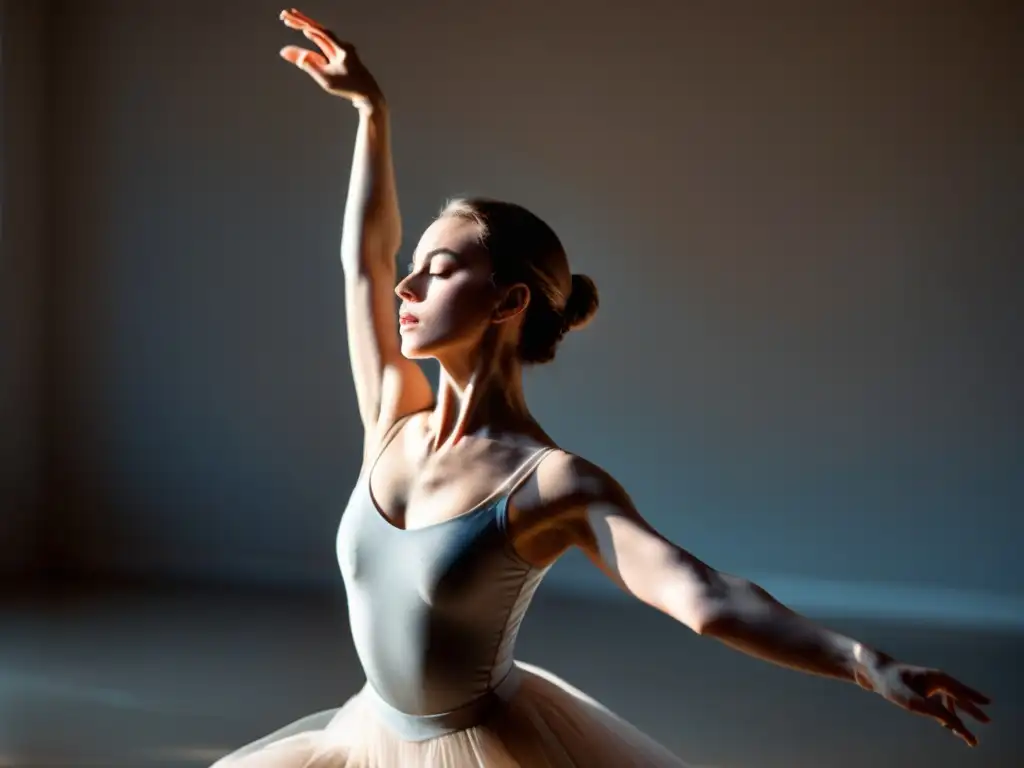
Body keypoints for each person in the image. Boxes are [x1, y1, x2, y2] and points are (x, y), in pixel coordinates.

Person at [212, 8, 992, 766]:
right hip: (365, 739)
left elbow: (703, 595)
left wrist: (860, 660)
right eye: (414, 267)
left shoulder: (549, 483)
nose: (407, 287)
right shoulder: (391, 413)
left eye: (441, 270)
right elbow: (365, 263)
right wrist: (370, 114)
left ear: (510, 302)